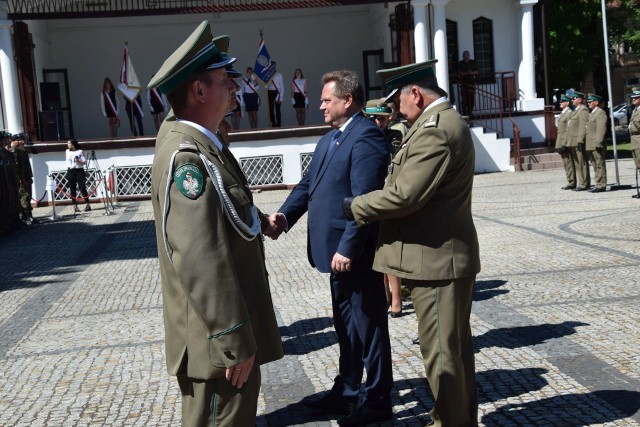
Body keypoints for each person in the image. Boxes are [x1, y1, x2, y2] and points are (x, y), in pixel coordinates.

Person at [147, 21, 283, 426]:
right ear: (199, 90)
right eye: (225, 79)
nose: (235, 87)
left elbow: (224, 212)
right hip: (216, 344)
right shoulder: (187, 157)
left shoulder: (204, 145)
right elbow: (199, 256)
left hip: (222, 338)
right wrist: (232, 338)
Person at [344, 59, 481, 427]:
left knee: (443, 357)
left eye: (397, 100)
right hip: (438, 255)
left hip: (435, 260)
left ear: (416, 94)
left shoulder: (435, 130)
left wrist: (356, 205)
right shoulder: (437, 124)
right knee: (453, 352)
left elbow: (405, 196)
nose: (395, 109)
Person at [269, 70, 393, 426]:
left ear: (347, 100)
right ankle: (348, 389)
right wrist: (282, 217)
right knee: (346, 324)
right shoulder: (330, 139)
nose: (319, 105)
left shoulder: (366, 136)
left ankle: (379, 398)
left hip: (353, 252)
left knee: (369, 324)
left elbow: (363, 200)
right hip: (334, 253)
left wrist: (349, 247)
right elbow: (309, 185)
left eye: (326, 99)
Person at [364, 97, 407, 317]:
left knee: (389, 248)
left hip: (389, 193)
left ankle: (397, 299)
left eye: (379, 118)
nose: (375, 122)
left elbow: (394, 157)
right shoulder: (363, 135)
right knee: (375, 251)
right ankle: (384, 297)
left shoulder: (395, 135)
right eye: (371, 118)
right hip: (371, 195)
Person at [11, 133, 37, 225]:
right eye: (18, 140)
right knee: (24, 197)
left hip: (26, 178)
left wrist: (29, 177)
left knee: (28, 197)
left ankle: (28, 216)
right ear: (13, 142)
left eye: (22, 140)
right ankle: (26, 217)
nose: (21, 142)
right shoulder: (14, 152)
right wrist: (21, 179)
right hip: (21, 179)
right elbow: (17, 168)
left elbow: (27, 166)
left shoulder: (23, 151)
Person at [567, 91, 590, 191]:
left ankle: (584, 183)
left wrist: (580, 141)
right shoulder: (576, 110)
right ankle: (581, 183)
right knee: (577, 163)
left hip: (578, 140)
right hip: (573, 140)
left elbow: (582, 127)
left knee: (581, 163)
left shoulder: (583, 110)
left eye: (574, 98)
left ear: (580, 100)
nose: (573, 100)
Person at [585, 93, 608, 193]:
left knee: (599, 164)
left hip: (596, 143)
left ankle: (601, 185)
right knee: (595, 164)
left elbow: (601, 129)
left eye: (590, 101)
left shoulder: (600, 113)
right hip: (591, 143)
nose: (588, 103)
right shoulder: (592, 113)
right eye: (588, 101)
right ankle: (598, 183)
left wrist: (599, 142)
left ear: (596, 102)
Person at [555, 94, 576, 190]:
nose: (560, 102)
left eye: (562, 101)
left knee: (569, 162)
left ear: (567, 103)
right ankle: (570, 180)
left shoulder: (569, 113)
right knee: (566, 163)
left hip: (566, 142)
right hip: (561, 141)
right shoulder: (563, 113)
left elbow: (568, 129)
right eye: (560, 101)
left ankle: (572, 182)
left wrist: (565, 143)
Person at [65, 139, 91, 212]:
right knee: (72, 188)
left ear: (73, 144)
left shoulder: (80, 151)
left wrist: (78, 161)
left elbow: (84, 162)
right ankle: (75, 205)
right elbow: (67, 161)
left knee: (82, 187)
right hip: (70, 170)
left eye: (69, 143)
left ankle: (87, 204)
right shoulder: (67, 151)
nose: (68, 144)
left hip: (79, 170)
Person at [457, 50, 478, 116]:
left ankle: (470, 111)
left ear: (469, 56)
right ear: (463, 57)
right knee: (464, 99)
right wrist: (467, 73)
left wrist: (471, 73)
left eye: (467, 56)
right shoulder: (460, 64)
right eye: (465, 56)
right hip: (464, 84)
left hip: (471, 83)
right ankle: (464, 112)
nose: (466, 57)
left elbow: (477, 71)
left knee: (471, 98)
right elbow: (459, 73)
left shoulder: (473, 62)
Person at [265, 61, 284, 127]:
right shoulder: (267, 75)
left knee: (278, 109)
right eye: (271, 66)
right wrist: (266, 84)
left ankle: (279, 123)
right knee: (271, 109)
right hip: (270, 92)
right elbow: (266, 86)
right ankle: (273, 123)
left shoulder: (279, 74)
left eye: (273, 66)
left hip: (277, 92)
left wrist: (281, 97)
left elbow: (281, 86)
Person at [629, 88, 640, 199]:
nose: (633, 99)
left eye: (636, 98)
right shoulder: (635, 110)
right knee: (638, 165)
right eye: (632, 98)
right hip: (634, 139)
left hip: (639, 138)